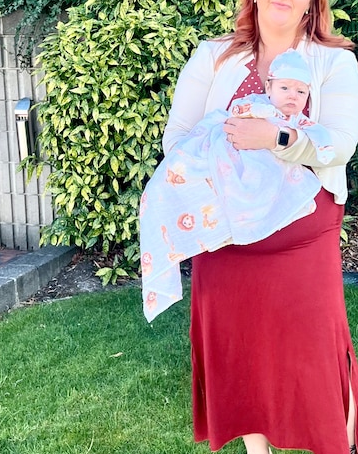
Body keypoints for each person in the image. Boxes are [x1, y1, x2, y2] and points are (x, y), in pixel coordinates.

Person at [161, 0, 358, 454]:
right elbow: (178, 137)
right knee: (241, 353)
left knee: (320, 351)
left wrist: (273, 140)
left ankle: (339, 448)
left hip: (302, 236)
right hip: (227, 234)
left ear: (312, 1)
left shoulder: (332, 64)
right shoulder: (214, 56)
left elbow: (338, 146)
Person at [139, 50, 335, 322]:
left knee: (263, 181)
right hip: (227, 152)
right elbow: (230, 119)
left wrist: (294, 139)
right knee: (171, 181)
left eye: (301, 92)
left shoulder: (297, 122)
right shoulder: (255, 104)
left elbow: (322, 141)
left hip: (262, 168)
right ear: (269, 86)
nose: (292, 96)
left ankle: (248, 214)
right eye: (285, 88)